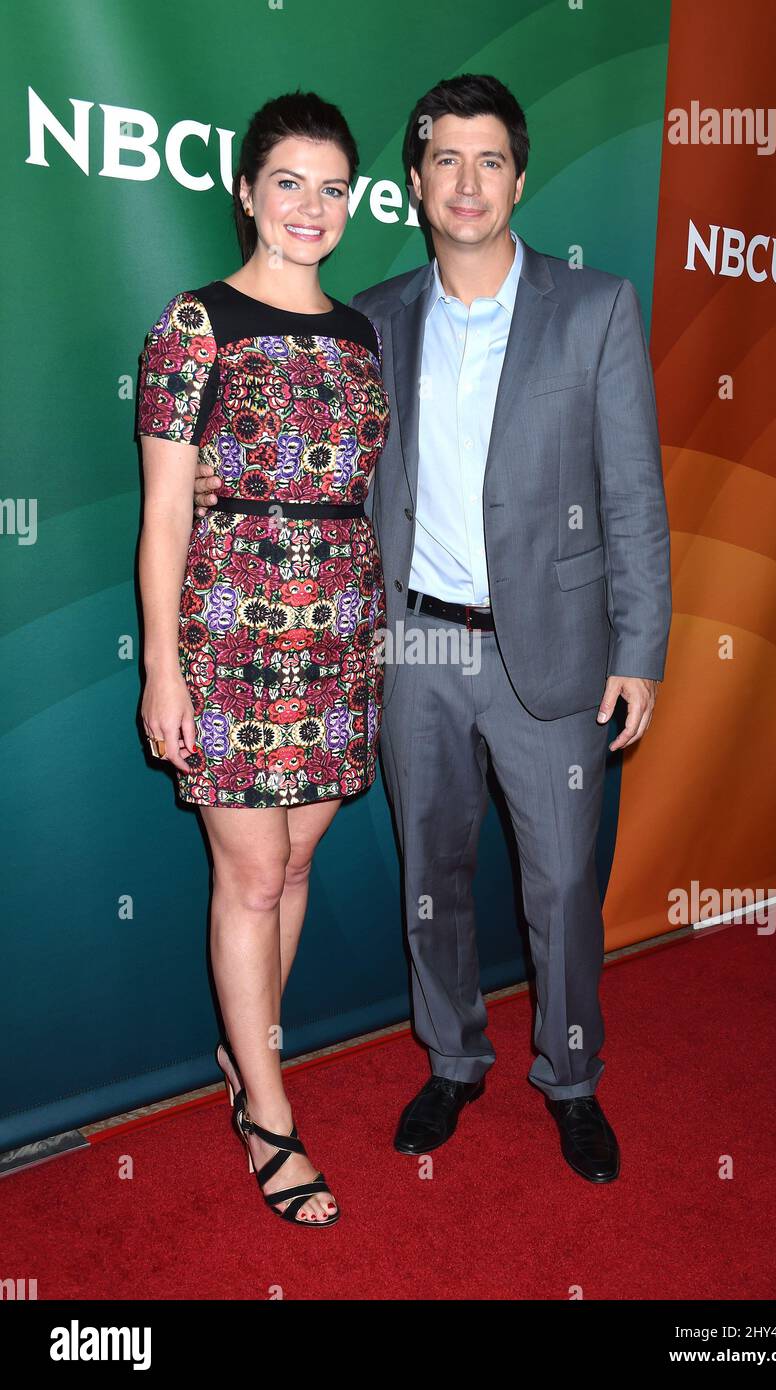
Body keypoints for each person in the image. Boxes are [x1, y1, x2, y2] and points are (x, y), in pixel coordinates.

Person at [193, 74, 672, 1185]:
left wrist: (637, 650)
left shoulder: (593, 307)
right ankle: (451, 1057)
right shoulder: (372, 315)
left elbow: (632, 495)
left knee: (557, 886)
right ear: (412, 183)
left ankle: (569, 1076)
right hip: (412, 647)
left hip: (548, 650)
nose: (466, 181)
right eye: (444, 160)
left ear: (517, 175)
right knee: (432, 875)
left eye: (489, 159)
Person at [135, 91, 389, 1226]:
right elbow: (164, 517)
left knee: (290, 871)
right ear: (246, 191)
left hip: (340, 629)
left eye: (332, 187)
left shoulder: (359, 332)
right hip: (231, 630)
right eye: (289, 182)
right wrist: (162, 668)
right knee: (246, 875)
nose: (312, 207)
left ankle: (250, 1056)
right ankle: (269, 1119)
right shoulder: (196, 325)